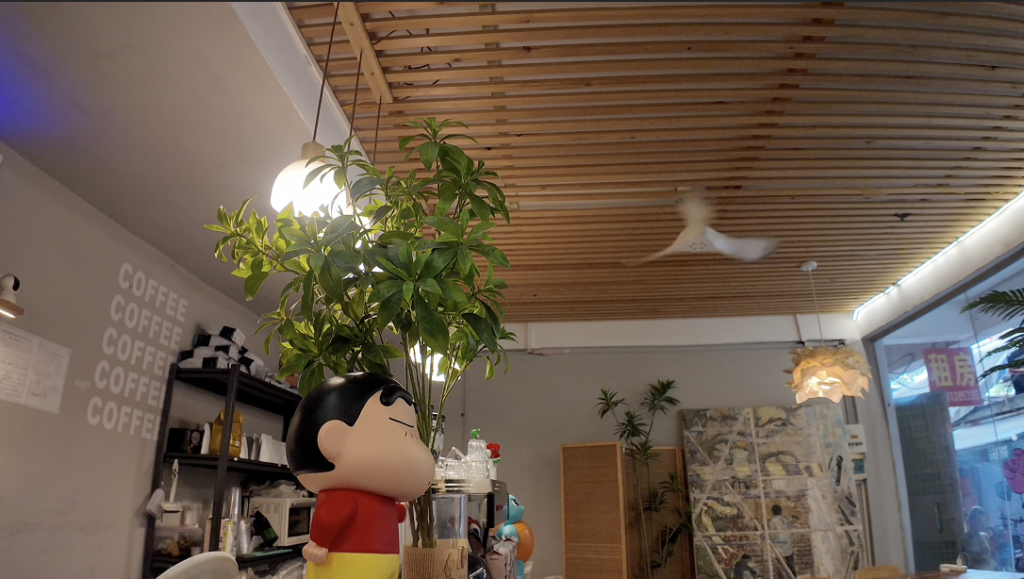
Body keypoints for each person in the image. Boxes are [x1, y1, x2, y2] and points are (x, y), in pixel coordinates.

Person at [286, 374, 436, 579]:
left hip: (384, 562)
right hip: (350, 564)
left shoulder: (383, 496)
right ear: (333, 438)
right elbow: (330, 516)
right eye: (402, 427)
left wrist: (401, 511)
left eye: (413, 433)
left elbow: (389, 514)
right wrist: (319, 543)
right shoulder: (346, 496)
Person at [961, 506, 997, 570]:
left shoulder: (984, 536)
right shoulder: (964, 538)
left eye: (984, 521)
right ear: (971, 521)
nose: (983, 524)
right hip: (976, 571)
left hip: (990, 569)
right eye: (979, 520)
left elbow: (989, 558)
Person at [768, 504, 796, 576]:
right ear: (781, 511)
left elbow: (771, 536)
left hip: (779, 550)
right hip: (788, 548)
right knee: (791, 569)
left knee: (782, 570)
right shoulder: (785, 521)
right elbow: (790, 533)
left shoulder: (772, 522)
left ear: (772, 512)